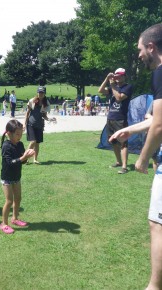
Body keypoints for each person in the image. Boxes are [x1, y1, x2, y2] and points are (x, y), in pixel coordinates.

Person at [109, 23, 162, 290]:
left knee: (158, 225)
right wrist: (130, 129)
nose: (140, 55)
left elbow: (160, 124)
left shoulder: (161, 73)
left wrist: (142, 159)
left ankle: (154, 286)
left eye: (141, 49)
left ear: (151, 47)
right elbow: (154, 119)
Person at [0, 119, 35, 234]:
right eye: (17, 134)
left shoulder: (19, 144)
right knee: (9, 201)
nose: (20, 136)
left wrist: (27, 156)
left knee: (18, 198)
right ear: (9, 133)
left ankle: (14, 218)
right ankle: (4, 223)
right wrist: (23, 158)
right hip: (7, 178)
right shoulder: (6, 146)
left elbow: (22, 161)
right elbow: (10, 163)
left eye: (21, 134)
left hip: (16, 176)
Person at [98, 67, 133, 174]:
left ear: (124, 76)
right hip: (111, 118)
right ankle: (118, 161)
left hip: (120, 119)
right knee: (113, 142)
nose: (118, 77)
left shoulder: (128, 87)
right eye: (117, 75)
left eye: (121, 75)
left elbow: (119, 98)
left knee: (123, 143)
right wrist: (107, 79)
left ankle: (124, 166)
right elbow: (100, 91)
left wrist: (112, 85)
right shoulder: (114, 86)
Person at [23, 86, 55, 164]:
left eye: (42, 93)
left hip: (39, 125)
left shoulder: (46, 103)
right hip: (31, 124)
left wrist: (50, 119)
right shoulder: (32, 101)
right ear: (37, 93)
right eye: (39, 92)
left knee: (37, 143)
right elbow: (27, 113)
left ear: (44, 93)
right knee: (33, 141)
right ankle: (25, 158)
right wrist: (24, 123)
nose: (40, 94)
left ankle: (35, 159)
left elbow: (44, 115)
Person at [144, 101, 159, 172]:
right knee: (155, 159)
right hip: (156, 134)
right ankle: (157, 177)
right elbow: (147, 115)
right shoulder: (155, 102)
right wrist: (157, 119)